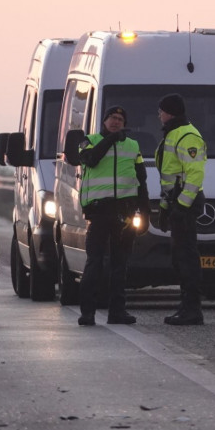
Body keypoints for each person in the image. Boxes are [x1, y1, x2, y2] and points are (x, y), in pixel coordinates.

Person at [76, 105, 148, 326]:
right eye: (112, 118)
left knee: (120, 264)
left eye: (120, 119)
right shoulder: (88, 140)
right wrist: (110, 139)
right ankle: (87, 312)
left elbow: (141, 179)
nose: (116, 122)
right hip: (99, 212)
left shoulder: (132, 145)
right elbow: (91, 159)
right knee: (94, 262)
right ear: (104, 120)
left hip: (123, 213)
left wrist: (145, 212)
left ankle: (117, 312)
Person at [156, 93, 207, 325]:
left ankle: (192, 309)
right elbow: (171, 177)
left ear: (170, 112)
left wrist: (181, 207)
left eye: (161, 111)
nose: (159, 115)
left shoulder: (186, 135)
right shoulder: (173, 134)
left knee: (186, 257)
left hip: (185, 204)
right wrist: (165, 208)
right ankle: (186, 305)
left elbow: (194, 175)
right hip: (178, 203)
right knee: (180, 258)